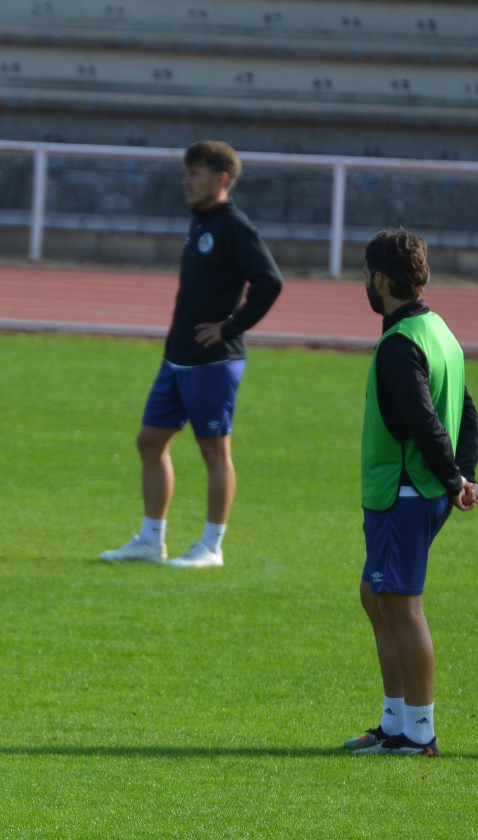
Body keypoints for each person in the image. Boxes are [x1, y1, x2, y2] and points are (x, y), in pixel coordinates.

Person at [100, 140, 283, 568]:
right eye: (186, 173)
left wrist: (230, 326)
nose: (185, 181)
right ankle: (151, 541)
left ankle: (211, 547)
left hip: (214, 361)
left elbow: (270, 281)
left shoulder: (234, 225)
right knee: (149, 442)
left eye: (194, 174)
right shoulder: (200, 221)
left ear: (220, 179)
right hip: (177, 357)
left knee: (214, 452)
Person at [346, 230, 478, 757]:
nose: (366, 283)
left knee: (402, 606)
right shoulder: (439, 330)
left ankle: (418, 733)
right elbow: (467, 409)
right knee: (375, 596)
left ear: (380, 279)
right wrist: (463, 474)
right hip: (415, 490)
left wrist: (453, 478)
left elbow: (424, 421)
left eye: (366, 275)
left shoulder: (400, 344)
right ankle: (394, 721)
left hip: (404, 491)